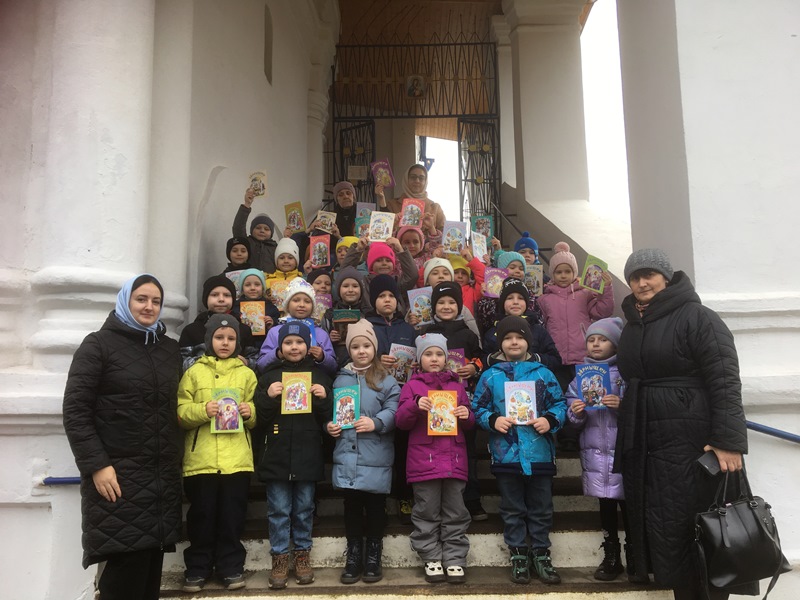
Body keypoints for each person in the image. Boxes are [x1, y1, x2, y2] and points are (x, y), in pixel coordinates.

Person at [615, 249, 748, 600]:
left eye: (649, 274)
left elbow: (724, 378)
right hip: (650, 444)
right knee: (671, 531)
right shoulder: (633, 323)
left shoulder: (698, 317)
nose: (642, 283)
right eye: (634, 277)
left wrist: (728, 440)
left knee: (704, 529)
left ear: (667, 277)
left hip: (693, 443)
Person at [63, 274, 182, 600]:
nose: (149, 306)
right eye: (141, 299)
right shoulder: (98, 345)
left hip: (161, 481)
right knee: (123, 572)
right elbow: (76, 410)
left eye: (156, 301)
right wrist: (96, 465)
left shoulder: (169, 349)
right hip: (117, 477)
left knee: (149, 575)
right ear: (125, 301)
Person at [472, 316, 566, 585]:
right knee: (512, 507)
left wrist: (550, 420)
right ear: (500, 343)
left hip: (539, 453)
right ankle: (518, 554)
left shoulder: (543, 373)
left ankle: (541, 553)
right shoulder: (491, 376)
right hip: (507, 454)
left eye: (520, 337)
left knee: (541, 507)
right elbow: (478, 407)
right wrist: (492, 420)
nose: (514, 342)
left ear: (529, 341)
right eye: (508, 338)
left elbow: (559, 404)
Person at [177, 315, 257, 592]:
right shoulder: (193, 372)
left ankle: (230, 566)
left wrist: (249, 412)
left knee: (232, 517)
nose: (225, 343)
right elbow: (180, 412)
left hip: (237, 460)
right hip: (202, 461)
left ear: (238, 342)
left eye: (231, 338)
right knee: (202, 516)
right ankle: (197, 568)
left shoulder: (246, 374)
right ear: (208, 340)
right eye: (219, 337)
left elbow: (257, 411)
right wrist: (202, 410)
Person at [254, 322, 333, 589]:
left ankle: (302, 555)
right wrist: (268, 397)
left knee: (304, 509)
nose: (294, 347)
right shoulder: (269, 377)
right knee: (278, 510)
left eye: (299, 342)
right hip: (276, 453)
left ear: (308, 346)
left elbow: (329, 417)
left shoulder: (319, 376)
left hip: (307, 452)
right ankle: (279, 558)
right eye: (288, 342)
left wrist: (324, 397)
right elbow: (258, 419)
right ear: (280, 346)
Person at [395, 333, 475, 584]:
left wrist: (466, 414)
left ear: (446, 358)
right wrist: (414, 405)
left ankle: (454, 558)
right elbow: (401, 421)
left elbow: (470, 422)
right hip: (424, 461)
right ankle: (430, 556)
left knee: (455, 512)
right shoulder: (412, 387)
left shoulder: (457, 386)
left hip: (454, 460)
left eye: (439, 354)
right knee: (426, 511)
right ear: (419, 359)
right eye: (428, 354)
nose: (434, 358)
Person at [327, 319, 400, 584]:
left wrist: (376, 422)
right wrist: (330, 426)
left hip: (375, 454)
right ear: (349, 350)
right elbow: (332, 411)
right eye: (355, 346)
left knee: (376, 506)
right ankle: (354, 554)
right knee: (352, 507)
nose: (361, 351)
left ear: (374, 348)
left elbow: (394, 409)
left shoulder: (386, 379)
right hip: (348, 455)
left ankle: (373, 555)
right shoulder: (340, 379)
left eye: (366, 346)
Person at [564, 317, 629, 582]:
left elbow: (638, 409)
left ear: (615, 344)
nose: (596, 344)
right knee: (606, 504)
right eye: (591, 340)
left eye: (603, 339)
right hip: (595, 453)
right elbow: (572, 417)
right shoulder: (579, 378)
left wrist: (622, 405)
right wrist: (576, 411)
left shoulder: (625, 375)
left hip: (622, 451)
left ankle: (636, 553)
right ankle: (611, 555)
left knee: (629, 505)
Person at [537, 242, 614, 390]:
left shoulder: (585, 294)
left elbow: (603, 312)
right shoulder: (544, 299)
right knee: (560, 394)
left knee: (585, 394)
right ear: (552, 274)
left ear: (575, 272)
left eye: (568, 271)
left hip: (582, 357)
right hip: (557, 358)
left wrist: (606, 289)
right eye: (559, 272)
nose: (563, 275)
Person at [256, 277, 337, 376]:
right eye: (296, 300)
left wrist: (322, 357)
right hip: (280, 379)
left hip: (313, 380)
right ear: (287, 305)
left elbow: (333, 368)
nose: (302, 305)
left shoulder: (321, 333)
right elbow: (261, 365)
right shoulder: (275, 332)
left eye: (307, 301)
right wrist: (277, 354)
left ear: (313, 306)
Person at [179, 275, 259, 372]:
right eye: (214, 295)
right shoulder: (192, 330)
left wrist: (246, 362)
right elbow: (181, 363)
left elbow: (255, 361)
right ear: (206, 298)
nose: (221, 299)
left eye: (227, 295)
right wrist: (208, 361)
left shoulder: (243, 330)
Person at [483, 278, 561, 370]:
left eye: (521, 298)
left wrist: (534, 359)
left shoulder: (538, 330)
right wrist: (496, 360)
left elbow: (555, 360)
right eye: (510, 298)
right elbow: (483, 361)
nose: (515, 302)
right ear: (503, 302)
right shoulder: (492, 333)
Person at [375, 164, 446, 230]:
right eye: (413, 177)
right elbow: (383, 228)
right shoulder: (392, 204)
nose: (417, 181)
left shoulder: (435, 208)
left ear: (425, 181)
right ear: (406, 179)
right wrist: (381, 199)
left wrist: (431, 228)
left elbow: (445, 235)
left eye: (421, 178)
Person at [233, 188, 279, 273]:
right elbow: (238, 228)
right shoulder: (246, 243)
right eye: (258, 228)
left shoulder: (276, 248)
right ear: (252, 230)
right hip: (248, 279)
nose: (262, 231)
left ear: (271, 233)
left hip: (270, 280)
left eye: (266, 229)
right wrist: (247, 204)